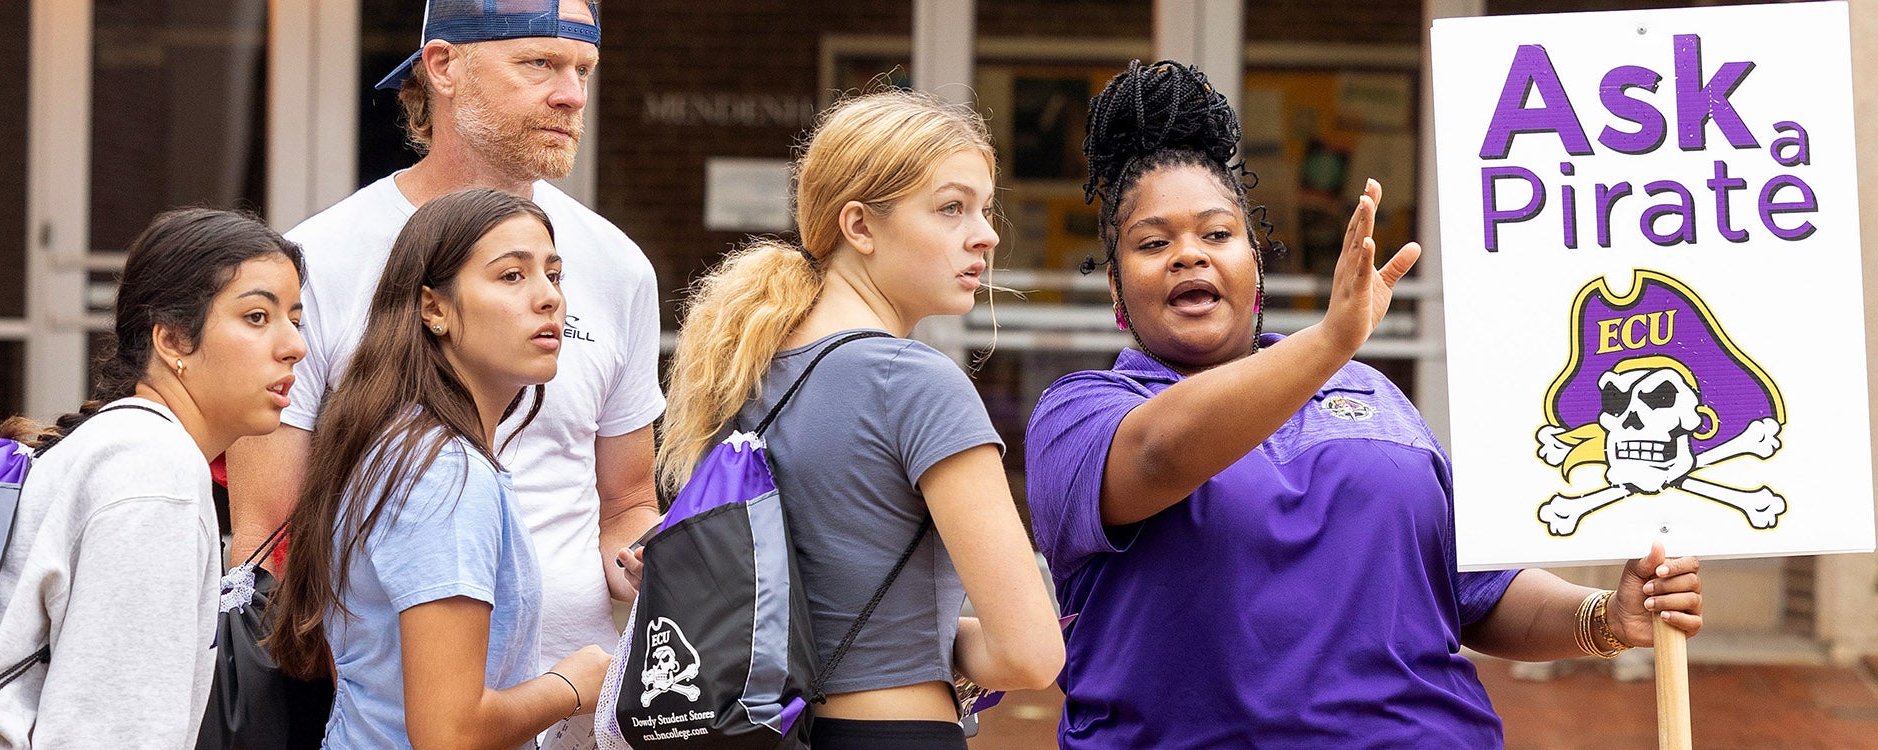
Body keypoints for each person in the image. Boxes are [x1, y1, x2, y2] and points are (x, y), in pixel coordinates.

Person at [1023, 61, 1708, 748]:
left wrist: (1605, 618)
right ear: (1116, 292)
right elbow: (1162, 453)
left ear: (1254, 267)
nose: (1188, 256)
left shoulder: (1370, 392)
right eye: (1152, 243)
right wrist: (1328, 341)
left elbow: (1476, 590)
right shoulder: (1082, 415)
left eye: (1216, 234)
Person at [226, 4, 660, 745]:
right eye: (539, 65)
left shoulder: (615, 263)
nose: (571, 96)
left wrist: (646, 563)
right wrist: (386, 692)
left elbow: (626, 501)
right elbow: (268, 534)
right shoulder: (319, 258)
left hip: (577, 712)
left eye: (582, 70)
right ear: (444, 66)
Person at [654, 90, 1064, 749]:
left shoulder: (741, 368)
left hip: (757, 729)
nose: (985, 232)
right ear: (860, 226)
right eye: (951, 207)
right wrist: (945, 647)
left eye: (985, 208)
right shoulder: (917, 383)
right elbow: (1029, 652)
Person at [0, 209, 308, 749]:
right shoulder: (155, 471)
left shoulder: (122, 445)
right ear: (173, 340)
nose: (294, 345)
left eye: (295, 319)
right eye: (257, 317)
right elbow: (110, 734)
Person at [266, 189, 609, 749]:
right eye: (511, 277)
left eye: (554, 273)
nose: (548, 298)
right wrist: (573, 683)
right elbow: (448, 733)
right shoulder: (442, 472)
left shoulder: (409, 445)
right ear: (434, 308)